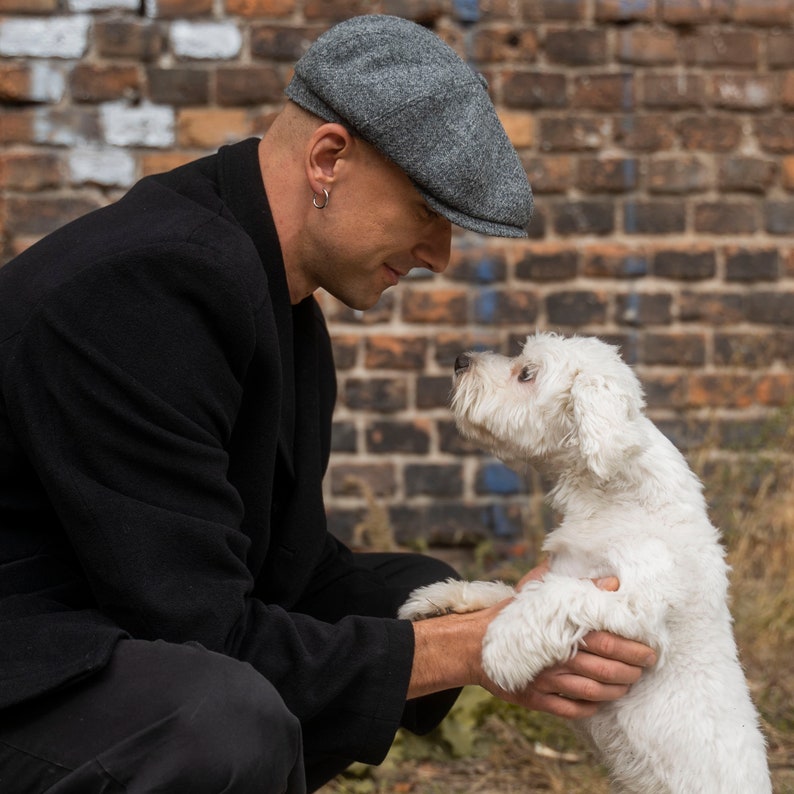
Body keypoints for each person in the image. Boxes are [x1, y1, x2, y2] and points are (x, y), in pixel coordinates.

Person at [0, 15, 655, 793]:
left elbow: (287, 570)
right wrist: (476, 648)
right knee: (224, 719)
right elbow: (201, 627)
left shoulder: (274, 297)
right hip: (24, 665)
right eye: (428, 213)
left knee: (404, 601)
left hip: (87, 642)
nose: (438, 256)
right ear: (329, 159)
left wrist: (489, 609)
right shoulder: (146, 289)